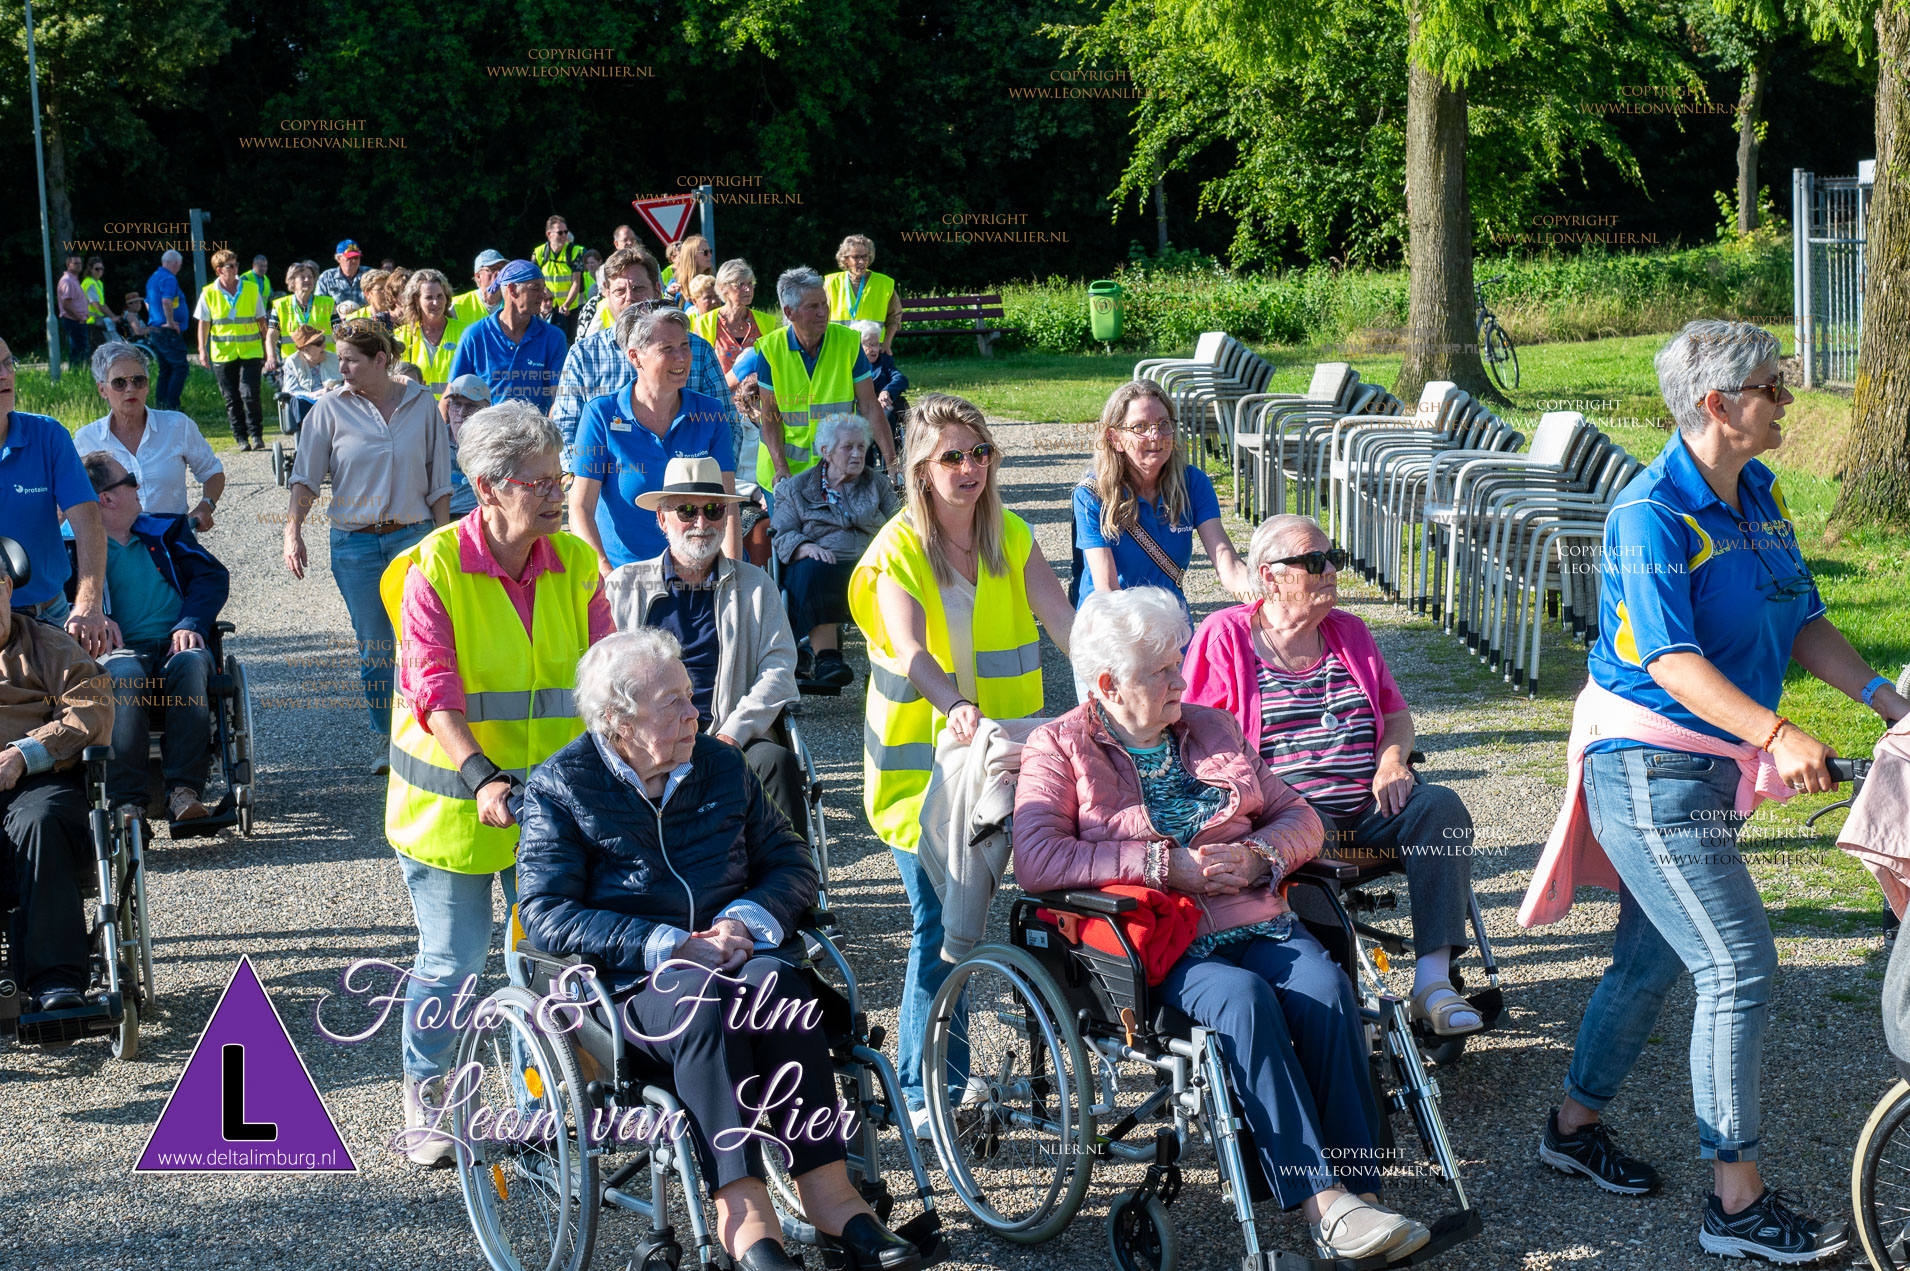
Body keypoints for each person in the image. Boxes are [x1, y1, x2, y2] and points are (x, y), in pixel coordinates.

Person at [1521, 319, 1910, 1262]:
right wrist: (1776, 731)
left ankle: (1571, 1128)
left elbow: (1803, 617)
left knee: (1653, 962)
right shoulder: (1649, 512)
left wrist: (1889, 701)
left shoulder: (1760, 491)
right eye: (1772, 386)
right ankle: (1734, 1206)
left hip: (1706, 767)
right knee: (1736, 965)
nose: (1785, 397)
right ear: (1717, 404)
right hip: (1650, 768)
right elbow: (1671, 658)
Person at [1014, 586, 1432, 1262]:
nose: (1182, 678)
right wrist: (1158, 862)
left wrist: (1261, 852)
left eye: (1178, 662)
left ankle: (1362, 1194)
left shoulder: (1210, 726)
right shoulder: (1058, 746)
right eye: (1162, 671)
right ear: (1107, 684)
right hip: (1160, 942)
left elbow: (1299, 814)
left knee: (1326, 988)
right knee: (1243, 1001)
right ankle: (1320, 1203)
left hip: (1255, 916)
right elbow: (1035, 858)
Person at [515, 629, 927, 1271]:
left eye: (690, 696)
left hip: (737, 957)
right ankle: (743, 1213)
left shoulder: (720, 764)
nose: (694, 713)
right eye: (673, 702)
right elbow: (545, 914)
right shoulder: (562, 787)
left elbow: (790, 861)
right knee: (701, 1002)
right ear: (619, 721)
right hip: (629, 986)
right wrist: (667, 944)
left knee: (784, 992)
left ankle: (833, 1200)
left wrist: (743, 921)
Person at [381, 401, 613, 1167]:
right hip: (451, 804)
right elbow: (434, 689)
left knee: (547, 957)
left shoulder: (577, 563)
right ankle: (427, 1099)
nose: (557, 493)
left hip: (550, 804)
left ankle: (538, 1104)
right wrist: (481, 776)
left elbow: (605, 674)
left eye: (559, 478)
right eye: (538, 482)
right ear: (487, 487)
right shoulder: (436, 567)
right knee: (453, 961)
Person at [847, 393, 1074, 1128]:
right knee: (937, 921)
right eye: (953, 455)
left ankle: (955, 1078)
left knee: (985, 914)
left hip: (1007, 762)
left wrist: (1116, 677)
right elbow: (911, 649)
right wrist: (954, 703)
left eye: (981, 453)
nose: (970, 467)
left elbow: (1066, 624)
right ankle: (924, 1091)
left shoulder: (1010, 533)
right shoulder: (896, 551)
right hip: (922, 772)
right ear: (920, 466)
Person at [1182, 513, 1482, 1036]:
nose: (1331, 572)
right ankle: (1335, 1007)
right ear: (1269, 575)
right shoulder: (1225, 636)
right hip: (1290, 817)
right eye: (1314, 562)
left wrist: (1392, 761)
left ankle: (1433, 981)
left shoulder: (1349, 631)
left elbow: (1394, 714)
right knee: (1305, 832)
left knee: (1442, 809)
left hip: (1368, 810)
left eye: (1333, 558)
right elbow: (1192, 737)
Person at [605, 456, 804, 821]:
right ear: (662, 518)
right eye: (686, 511)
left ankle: (791, 875)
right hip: (644, 743)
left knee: (776, 762)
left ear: (726, 518)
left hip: (730, 735)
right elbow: (603, 679)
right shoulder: (624, 585)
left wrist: (731, 735)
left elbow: (779, 670)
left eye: (713, 510)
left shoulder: (756, 586)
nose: (701, 522)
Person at [283, 320, 452, 747]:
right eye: (338, 358)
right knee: (377, 650)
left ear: (380, 360)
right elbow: (305, 479)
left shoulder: (422, 404)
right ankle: (386, 738)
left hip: (414, 539)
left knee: (425, 642)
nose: (340, 368)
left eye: (350, 360)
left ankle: (431, 734)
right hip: (355, 546)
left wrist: (446, 539)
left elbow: (439, 480)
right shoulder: (328, 409)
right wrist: (293, 531)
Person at [79, 452, 229, 825]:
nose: (138, 485)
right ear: (106, 498)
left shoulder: (165, 529)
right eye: (130, 479)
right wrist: (95, 616)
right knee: (124, 674)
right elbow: (64, 604)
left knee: (192, 663)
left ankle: (184, 793)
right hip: (119, 650)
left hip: (176, 641)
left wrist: (191, 622)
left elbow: (211, 577)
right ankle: (127, 803)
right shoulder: (76, 549)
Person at [0, 541, 115, 1015]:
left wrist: (23, 755)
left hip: (38, 782)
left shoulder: (46, 645)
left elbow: (92, 710)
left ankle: (55, 980)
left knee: (41, 821)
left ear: (5, 586)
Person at [568, 307, 740, 570]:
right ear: (636, 357)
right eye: (667, 349)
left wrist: (730, 574)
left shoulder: (710, 413)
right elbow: (579, 507)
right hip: (626, 574)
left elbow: (727, 503)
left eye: (685, 345)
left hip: (701, 572)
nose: (682, 357)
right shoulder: (601, 415)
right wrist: (606, 576)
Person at [551, 248, 744, 467]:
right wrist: (578, 481)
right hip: (605, 492)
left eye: (638, 288)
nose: (629, 298)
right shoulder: (584, 356)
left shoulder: (696, 350)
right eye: (619, 291)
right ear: (606, 294)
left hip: (687, 491)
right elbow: (564, 428)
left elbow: (727, 424)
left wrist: (714, 480)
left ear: (658, 289)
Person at [1, 336, 117, 657]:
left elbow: (88, 523)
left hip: (47, 616)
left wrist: (89, 605)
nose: (5, 375)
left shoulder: (47, 435)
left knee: (81, 699)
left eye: (8, 363)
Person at [771, 413, 896, 688]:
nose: (857, 454)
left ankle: (896, 659)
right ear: (826, 452)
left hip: (869, 561)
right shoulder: (796, 488)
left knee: (896, 574)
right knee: (812, 568)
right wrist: (804, 546)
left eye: (861, 446)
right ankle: (828, 658)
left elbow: (900, 524)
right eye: (848, 447)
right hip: (821, 562)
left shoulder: (878, 485)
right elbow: (782, 532)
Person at [753, 267, 898, 490]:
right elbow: (770, 416)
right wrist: (781, 467)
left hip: (837, 471)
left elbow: (870, 406)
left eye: (824, 303)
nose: (823, 312)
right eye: (813, 307)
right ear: (789, 313)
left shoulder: (849, 342)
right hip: (786, 475)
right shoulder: (771, 349)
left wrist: (892, 461)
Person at [75, 342, 225, 530]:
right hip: (115, 551)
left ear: (147, 385)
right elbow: (70, 498)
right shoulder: (85, 440)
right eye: (119, 383)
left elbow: (212, 473)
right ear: (102, 390)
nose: (130, 389)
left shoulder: (177, 425)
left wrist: (206, 506)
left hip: (171, 543)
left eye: (138, 380)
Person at [445, 259, 568, 414]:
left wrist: (548, 433)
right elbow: (453, 393)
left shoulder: (554, 337)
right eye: (536, 288)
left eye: (543, 288)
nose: (543, 295)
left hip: (536, 434)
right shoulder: (475, 335)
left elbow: (559, 398)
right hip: (486, 434)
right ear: (512, 290)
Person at [194, 249, 270, 450]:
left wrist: (267, 346)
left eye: (236, 264)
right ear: (219, 270)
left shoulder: (251, 289)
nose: (236, 268)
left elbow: (261, 320)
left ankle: (256, 434)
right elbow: (203, 324)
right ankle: (241, 438)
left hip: (251, 351)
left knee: (249, 393)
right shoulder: (209, 293)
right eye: (231, 265)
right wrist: (202, 350)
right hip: (223, 353)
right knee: (231, 398)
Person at [695, 259, 780, 375]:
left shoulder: (765, 322)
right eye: (741, 284)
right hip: (720, 392)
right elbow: (697, 369)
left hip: (760, 392)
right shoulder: (704, 324)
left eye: (750, 283)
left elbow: (774, 365)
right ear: (722, 287)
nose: (748, 289)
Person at [395, 269, 467, 397]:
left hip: (455, 410)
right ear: (416, 300)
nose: (436, 303)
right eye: (429, 297)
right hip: (416, 411)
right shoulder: (402, 336)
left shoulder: (465, 332)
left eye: (440, 296)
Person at [824, 235, 900, 355]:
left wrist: (886, 343)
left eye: (865, 256)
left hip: (873, 350)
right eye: (856, 257)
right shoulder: (831, 283)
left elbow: (894, 318)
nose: (861, 261)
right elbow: (821, 318)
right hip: (839, 348)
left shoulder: (884, 283)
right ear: (846, 259)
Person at [849, 320, 907, 459]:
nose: (874, 349)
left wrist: (887, 390)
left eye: (876, 344)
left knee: (886, 416)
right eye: (869, 345)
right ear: (858, 345)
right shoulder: (851, 363)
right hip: (859, 407)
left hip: (881, 407)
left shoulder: (883, 360)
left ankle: (887, 465)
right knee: (860, 424)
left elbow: (900, 378)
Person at [266, 261, 336, 372]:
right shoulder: (281, 305)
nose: (307, 280)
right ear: (292, 281)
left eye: (310, 277)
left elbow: (339, 331)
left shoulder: (328, 303)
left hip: (325, 361)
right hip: (294, 363)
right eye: (302, 277)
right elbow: (272, 335)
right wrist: (271, 357)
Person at [144, 250, 191, 411]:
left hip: (156, 329)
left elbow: (148, 303)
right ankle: (172, 405)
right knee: (180, 367)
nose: (179, 268)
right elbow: (166, 300)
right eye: (179, 265)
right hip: (167, 332)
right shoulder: (169, 278)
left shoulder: (153, 278)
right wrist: (170, 322)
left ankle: (161, 404)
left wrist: (156, 319)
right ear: (175, 264)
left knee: (165, 368)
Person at [440, 373, 490, 518]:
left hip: (480, 518)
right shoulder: (434, 440)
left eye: (471, 406)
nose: (462, 413)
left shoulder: (494, 443)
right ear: (448, 408)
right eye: (456, 404)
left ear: (486, 409)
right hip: (440, 518)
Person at [278, 325, 341, 432]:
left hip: (331, 400)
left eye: (323, 340)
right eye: (319, 343)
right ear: (306, 349)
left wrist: (332, 391)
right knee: (297, 401)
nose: (324, 346)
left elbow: (344, 382)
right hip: (307, 401)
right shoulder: (292, 362)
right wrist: (314, 394)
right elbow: (292, 391)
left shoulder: (334, 358)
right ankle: (308, 434)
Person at [534, 215, 585, 339]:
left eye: (566, 232)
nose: (564, 235)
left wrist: (566, 304)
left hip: (571, 307)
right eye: (560, 232)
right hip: (546, 306)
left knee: (570, 340)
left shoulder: (574, 251)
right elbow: (534, 281)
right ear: (549, 234)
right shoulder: (539, 252)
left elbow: (576, 283)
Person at [451, 249, 506, 327]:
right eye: (493, 269)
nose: (500, 273)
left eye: (502, 269)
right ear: (478, 276)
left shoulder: (515, 302)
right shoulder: (457, 305)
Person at [57, 254, 90, 366]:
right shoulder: (67, 281)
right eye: (75, 263)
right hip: (73, 320)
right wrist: (78, 317)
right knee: (77, 350)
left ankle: (79, 372)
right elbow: (66, 304)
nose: (79, 266)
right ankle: (76, 372)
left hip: (77, 320)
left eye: (80, 263)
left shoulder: (74, 280)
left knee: (81, 350)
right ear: (68, 265)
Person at [316, 239, 367, 310]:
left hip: (365, 319)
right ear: (339, 258)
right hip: (335, 319)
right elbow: (319, 303)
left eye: (356, 257)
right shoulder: (326, 277)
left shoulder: (369, 274)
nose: (354, 261)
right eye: (349, 258)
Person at [662, 233, 713, 306]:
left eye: (710, 251)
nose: (710, 255)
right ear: (692, 256)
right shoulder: (675, 285)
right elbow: (667, 312)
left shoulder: (713, 281)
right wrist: (669, 295)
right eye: (705, 252)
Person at [82, 257, 112, 354]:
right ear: (90, 269)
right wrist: (112, 316)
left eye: (101, 268)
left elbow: (103, 304)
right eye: (97, 269)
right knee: (98, 350)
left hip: (97, 321)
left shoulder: (98, 283)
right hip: (91, 321)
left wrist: (113, 316)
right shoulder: (89, 283)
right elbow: (96, 304)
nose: (100, 271)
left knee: (100, 349)